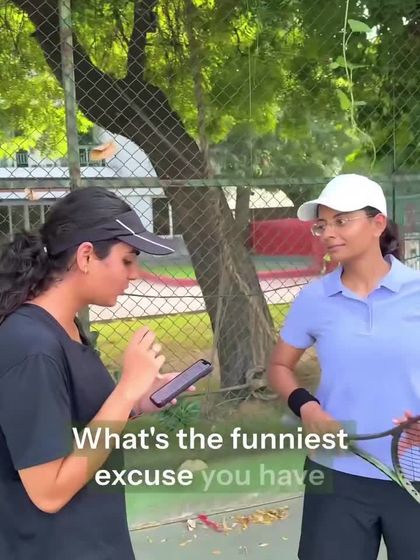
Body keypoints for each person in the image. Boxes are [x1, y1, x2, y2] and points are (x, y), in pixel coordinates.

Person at [0, 187, 194, 559]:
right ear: (86, 256)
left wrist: (135, 403)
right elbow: (49, 492)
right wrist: (124, 391)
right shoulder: (31, 347)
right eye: (127, 260)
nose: (135, 274)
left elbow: (73, 425)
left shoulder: (65, 328)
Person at [268, 174, 420, 560]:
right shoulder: (314, 298)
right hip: (336, 474)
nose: (328, 233)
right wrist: (306, 407)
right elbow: (280, 366)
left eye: (341, 220)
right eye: (322, 224)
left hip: (414, 472)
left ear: (377, 223)